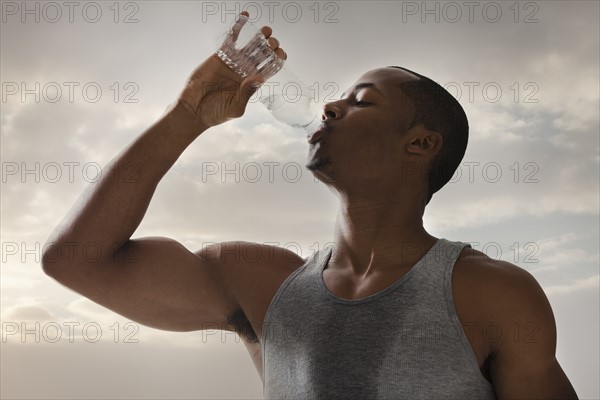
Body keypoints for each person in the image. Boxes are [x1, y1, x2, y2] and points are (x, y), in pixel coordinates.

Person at [42, 12, 578, 400]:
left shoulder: (493, 293)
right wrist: (188, 114)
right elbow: (77, 261)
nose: (331, 105)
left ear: (419, 144)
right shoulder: (259, 282)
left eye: (362, 100)